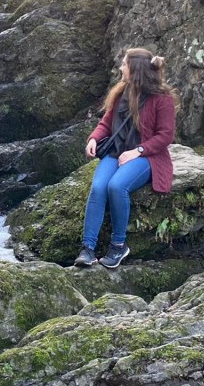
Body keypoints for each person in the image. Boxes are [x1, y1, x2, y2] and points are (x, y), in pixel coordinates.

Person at [74, 48, 176, 269]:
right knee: (98, 187)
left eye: (124, 64)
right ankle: (87, 249)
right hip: (116, 151)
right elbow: (106, 123)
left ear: (135, 69)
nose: (121, 68)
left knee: (116, 186)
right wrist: (93, 139)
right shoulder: (122, 92)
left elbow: (165, 136)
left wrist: (138, 150)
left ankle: (118, 245)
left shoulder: (162, 99)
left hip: (147, 157)